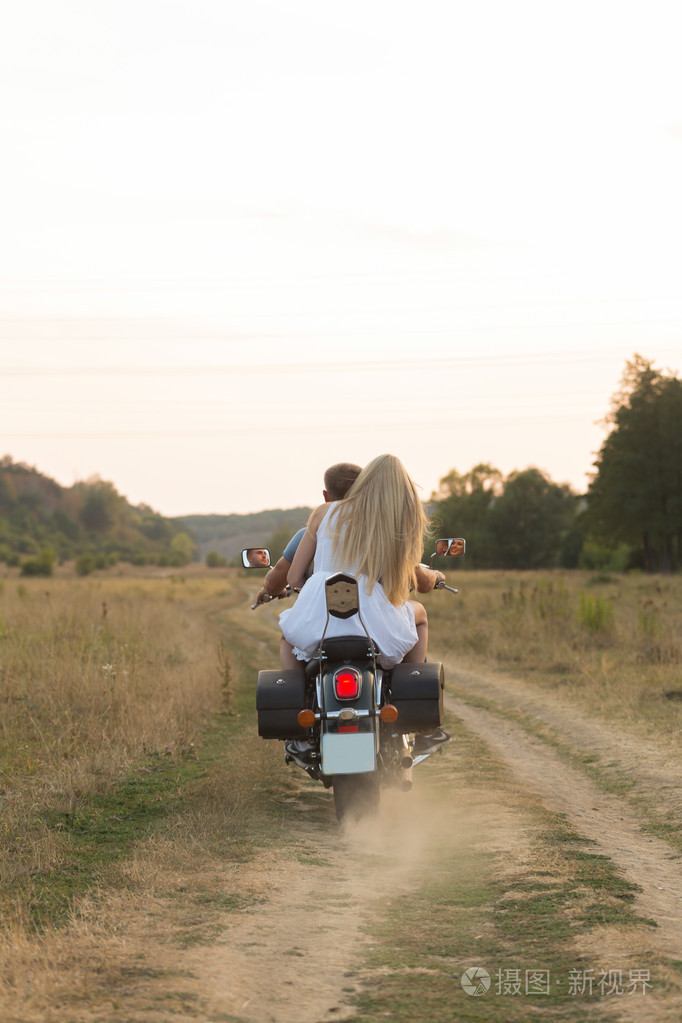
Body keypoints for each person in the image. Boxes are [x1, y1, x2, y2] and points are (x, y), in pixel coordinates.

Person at [278, 454, 443, 670]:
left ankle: (295, 694)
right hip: (370, 613)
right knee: (419, 614)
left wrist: (310, 595)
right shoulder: (386, 521)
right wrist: (437, 576)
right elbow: (420, 581)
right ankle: (411, 685)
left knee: (288, 637)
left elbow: (292, 577)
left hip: (321, 605)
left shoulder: (322, 512)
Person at [254, 462, 362, 605]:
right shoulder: (380, 535)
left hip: (323, 615)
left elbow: (275, 582)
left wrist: (269, 589)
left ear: (326, 496)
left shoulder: (308, 535)